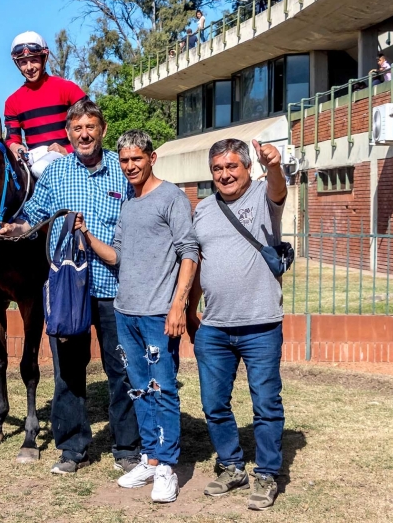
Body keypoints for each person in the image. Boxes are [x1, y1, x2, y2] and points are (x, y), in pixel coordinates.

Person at [0, 99, 142, 475]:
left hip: (114, 288)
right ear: (68, 133)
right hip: (67, 290)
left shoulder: (122, 173)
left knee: (121, 370)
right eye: (77, 128)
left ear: (102, 130)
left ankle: (127, 446)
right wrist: (15, 228)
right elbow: (32, 215)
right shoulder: (57, 174)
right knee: (68, 373)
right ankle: (73, 447)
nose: (84, 134)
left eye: (91, 127)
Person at [73, 129, 198, 503]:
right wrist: (87, 235)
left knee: (163, 389)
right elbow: (118, 256)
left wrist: (179, 304)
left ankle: (166, 467)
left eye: (136, 159)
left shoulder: (171, 197)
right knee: (139, 389)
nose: (130, 166)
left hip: (159, 313)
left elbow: (189, 251)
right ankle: (149, 457)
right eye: (124, 160)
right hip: (125, 311)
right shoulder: (128, 203)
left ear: (152, 157)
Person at [186, 138, 287, 511]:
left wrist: (274, 166)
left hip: (261, 323)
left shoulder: (263, 195)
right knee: (213, 403)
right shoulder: (204, 209)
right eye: (217, 169)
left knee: (266, 403)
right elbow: (197, 262)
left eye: (232, 167)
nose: (224, 174)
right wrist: (189, 310)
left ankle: (266, 473)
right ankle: (231, 466)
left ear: (246, 168)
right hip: (214, 326)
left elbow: (279, 188)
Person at [4, 31, 87, 158]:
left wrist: (68, 150)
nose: (29, 67)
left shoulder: (68, 89)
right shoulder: (12, 102)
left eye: (34, 60)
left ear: (44, 58)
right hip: (35, 165)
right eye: (23, 62)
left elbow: (93, 126)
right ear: (17, 64)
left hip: (74, 159)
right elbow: (12, 139)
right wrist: (15, 147)